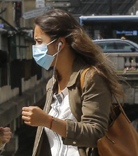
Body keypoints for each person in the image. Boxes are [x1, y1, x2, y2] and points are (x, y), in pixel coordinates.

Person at [22, 9, 123, 156]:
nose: (36, 48)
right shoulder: (53, 83)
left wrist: (48, 121)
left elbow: (96, 133)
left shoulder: (91, 78)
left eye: (39, 42)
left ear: (60, 43)